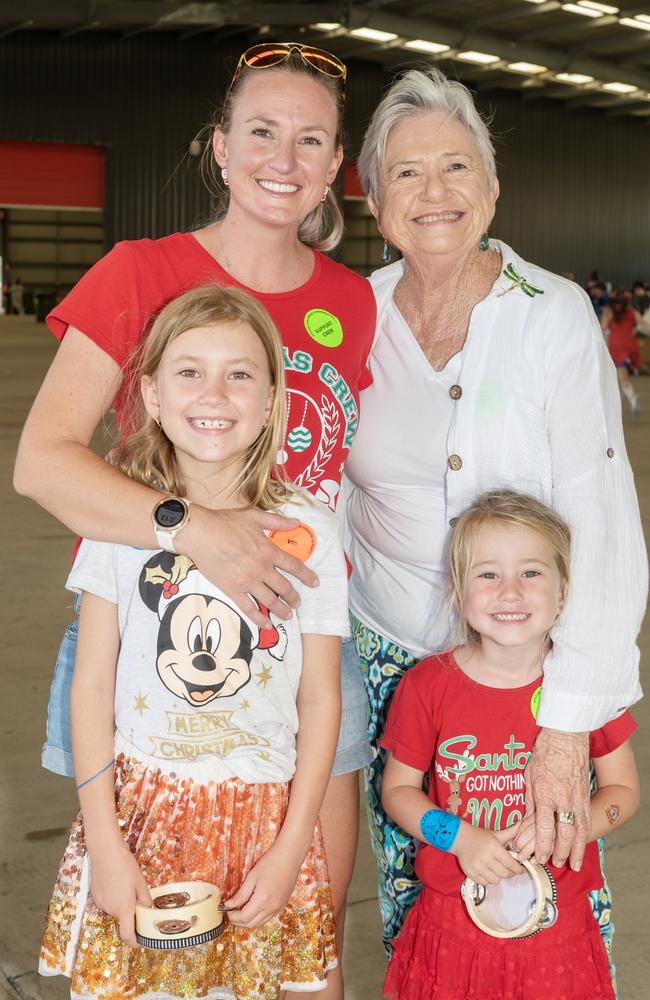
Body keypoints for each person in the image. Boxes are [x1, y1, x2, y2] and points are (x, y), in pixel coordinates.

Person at [15, 43, 375, 994]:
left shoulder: (351, 300)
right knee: (155, 941)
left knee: (302, 931)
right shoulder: (141, 270)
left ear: (336, 166)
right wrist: (195, 530)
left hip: (306, 658)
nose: (282, 159)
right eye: (261, 132)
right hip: (156, 661)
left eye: (310, 141)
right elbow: (42, 462)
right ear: (219, 147)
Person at [344, 66, 646, 960]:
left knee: (538, 898)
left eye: (455, 166)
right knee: (421, 900)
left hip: (525, 674)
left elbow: (600, 515)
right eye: (405, 172)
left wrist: (567, 726)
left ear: (492, 185)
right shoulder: (351, 315)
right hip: (392, 652)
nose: (433, 193)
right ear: (372, 197)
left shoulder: (551, 313)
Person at [39, 283, 349, 999]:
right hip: (140, 817)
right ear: (150, 393)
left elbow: (320, 696)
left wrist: (291, 847)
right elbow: (90, 687)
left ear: (271, 399)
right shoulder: (116, 520)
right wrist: (107, 845)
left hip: (266, 824)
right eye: (189, 371)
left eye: (240, 374)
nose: (215, 393)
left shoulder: (310, 533)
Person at [380, 490, 639, 1000]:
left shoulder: (585, 687)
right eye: (488, 574)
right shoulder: (427, 686)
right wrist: (459, 839)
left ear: (564, 593)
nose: (511, 592)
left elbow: (623, 793)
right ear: (457, 592)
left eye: (532, 573)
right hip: (451, 917)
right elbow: (399, 792)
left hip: (556, 930)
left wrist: (569, 828)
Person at [600, 291, 649, 416]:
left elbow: (602, 327)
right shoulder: (632, 312)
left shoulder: (609, 312)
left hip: (616, 348)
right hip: (630, 346)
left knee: (621, 376)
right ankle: (617, 402)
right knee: (617, 377)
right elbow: (643, 324)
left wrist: (605, 316)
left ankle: (632, 398)